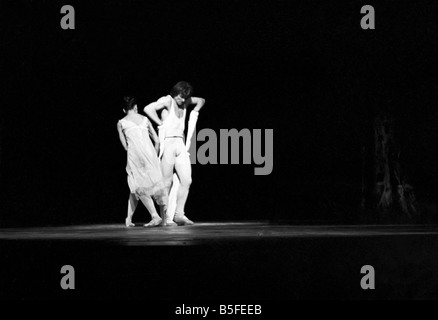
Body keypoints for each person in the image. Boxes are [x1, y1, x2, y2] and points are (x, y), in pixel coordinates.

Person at [144, 81, 205, 226]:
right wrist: (160, 123)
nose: (182, 100)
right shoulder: (167, 100)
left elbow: (201, 100)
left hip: (180, 145)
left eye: (185, 98)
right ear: (175, 92)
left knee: (187, 180)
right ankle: (165, 218)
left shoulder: (184, 101)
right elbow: (148, 109)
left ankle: (179, 214)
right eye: (180, 97)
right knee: (167, 183)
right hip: (169, 144)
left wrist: (194, 111)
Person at [117, 96, 167, 227]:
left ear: (124, 110)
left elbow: (125, 146)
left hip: (135, 156)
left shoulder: (121, 122)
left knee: (138, 186)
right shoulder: (145, 119)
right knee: (137, 187)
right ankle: (128, 219)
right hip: (150, 155)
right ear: (136, 107)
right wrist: (154, 157)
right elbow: (157, 141)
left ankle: (155, 216)